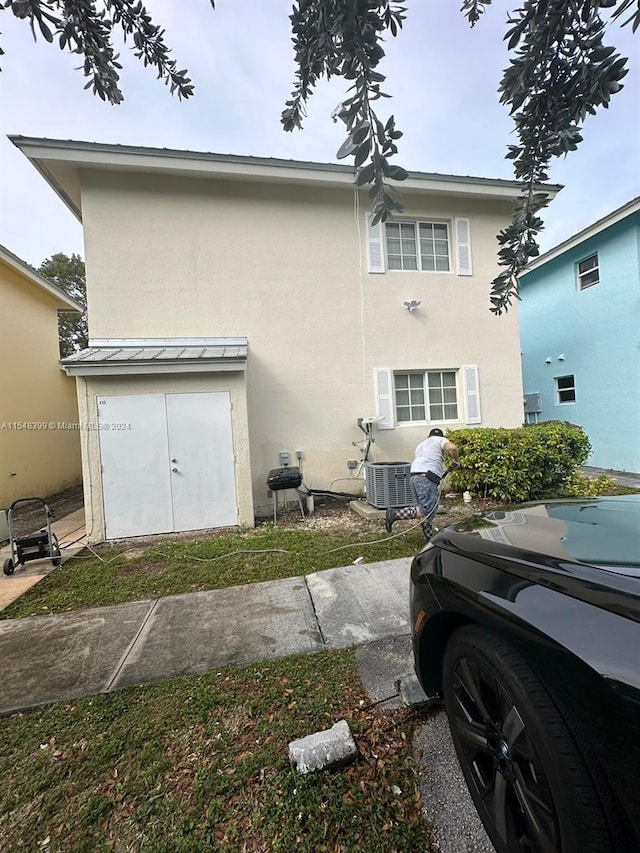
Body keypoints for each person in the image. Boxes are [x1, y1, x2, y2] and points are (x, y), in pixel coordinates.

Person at [385, 428, 460, 540]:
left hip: (414, 476)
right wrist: (456, 460)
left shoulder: (421, 445)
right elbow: (452, 448)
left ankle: (430, 538)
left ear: (428, 436)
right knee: (427, 509)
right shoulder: (440, 440)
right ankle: (395, 514)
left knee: (421, 510)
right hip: (426, 477)